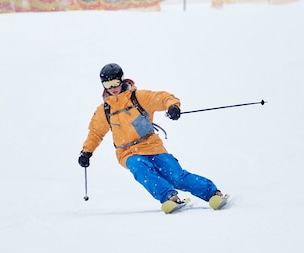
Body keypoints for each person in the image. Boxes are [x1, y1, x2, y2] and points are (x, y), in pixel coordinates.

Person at [78, 63, 225, 212]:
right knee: (139, 167)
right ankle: (169, 197)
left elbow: (163, 98)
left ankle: (213, 193)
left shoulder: (138, 97)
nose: (112, 87)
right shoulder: (104, 110)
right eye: (107, 84)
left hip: (152, 146)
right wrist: (86, 152)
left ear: (121, 80)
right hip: (127, 152)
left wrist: (172, 106)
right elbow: (95, 133)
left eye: (115, 82)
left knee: (176, 176)